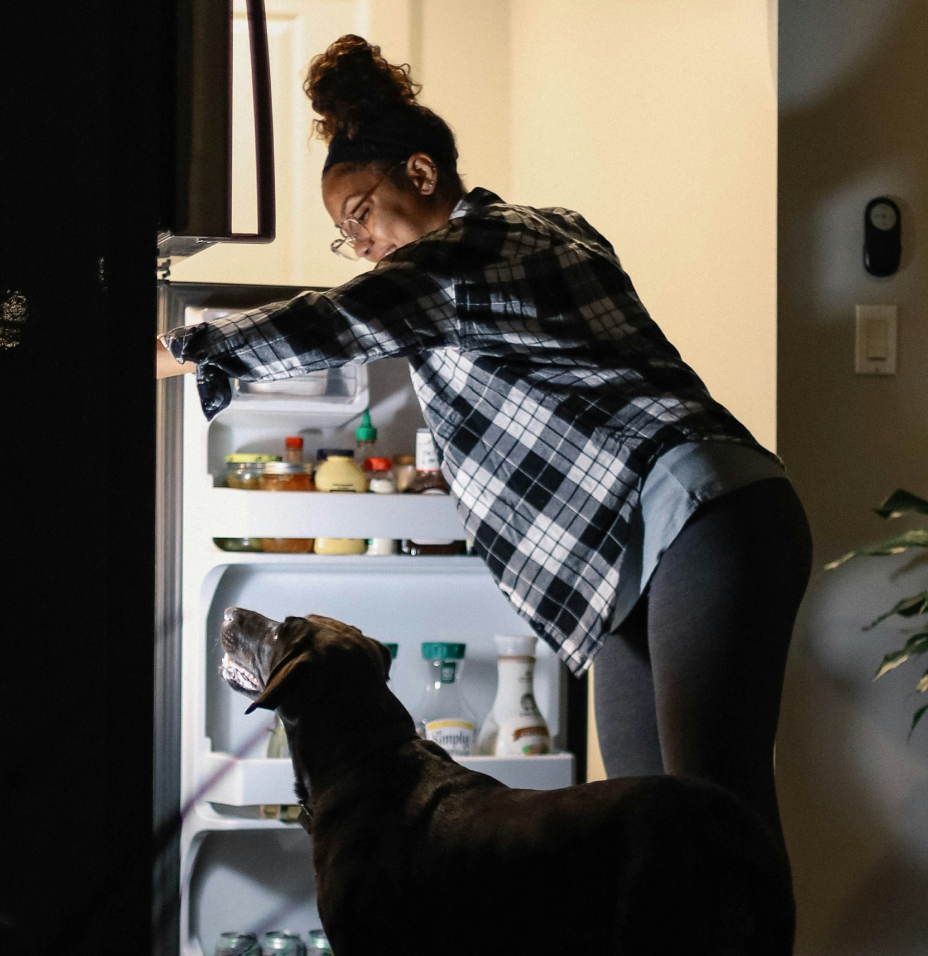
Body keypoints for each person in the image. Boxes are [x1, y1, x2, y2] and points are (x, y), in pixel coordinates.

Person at [156, 35, 811, 861]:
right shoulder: (511, 249)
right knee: (650, 832)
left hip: (701, 518)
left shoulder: (481, 249)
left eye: (361, 215)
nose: (358, 245)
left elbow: (340, 318)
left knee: (720, 820)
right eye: (344, 235)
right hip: (630, 554)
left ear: (422, 176)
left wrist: (176, 349)